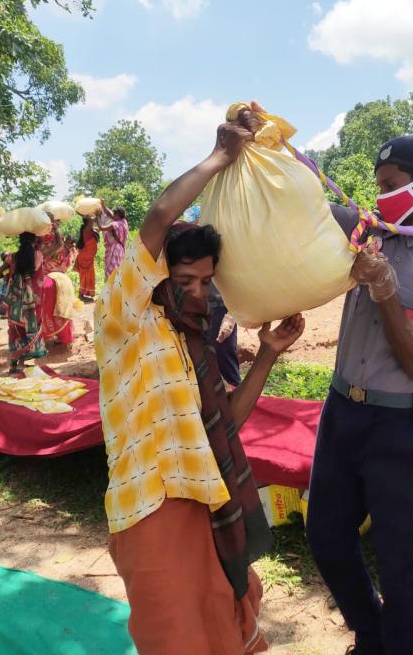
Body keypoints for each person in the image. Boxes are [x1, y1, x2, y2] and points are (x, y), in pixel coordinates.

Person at [94, 121, 305, 655]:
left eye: (207, 282)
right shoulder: (125, 318)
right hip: (152, 504)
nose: (198, 292)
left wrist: (269, 355)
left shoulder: (192, 342)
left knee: (222, 619)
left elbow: (227, 418)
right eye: (185, 281)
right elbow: (161, 216)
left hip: (207, 495)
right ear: (155, 276)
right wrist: (219, 156)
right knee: (175, 635)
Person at [297, 134, 413, 655]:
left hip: (390, 424)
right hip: (339, 412)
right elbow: (305, 196)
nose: (378, 196)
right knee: (326, 537)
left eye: (390, 185)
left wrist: (385, 292)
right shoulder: (368, 232)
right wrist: (264, 146)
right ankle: (370, 632)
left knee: (397, 559)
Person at [185, 205, 241, 386]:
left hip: (220, 311)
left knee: (224, 359)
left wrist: (231, 317)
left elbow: (239, 284)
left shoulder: (225, 250)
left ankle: (236, 403)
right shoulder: (189, 252)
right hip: (197, 309)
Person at [2, 232, 47, 374]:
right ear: (34, 240)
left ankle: (13, 365)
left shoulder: (12, 257)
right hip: (31, 301)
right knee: (30, 330)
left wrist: (9, 272)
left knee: (15, 330)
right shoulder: (38, 255)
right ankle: (26, 364)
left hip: (15, 300)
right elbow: (57, 245)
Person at [42, 231, 77, 347]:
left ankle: (46, 336)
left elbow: (45, 259)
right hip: (63, 279)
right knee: (65, 308)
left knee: (45, 307)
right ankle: (66, 337)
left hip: (47, 277)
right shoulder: (72, 253)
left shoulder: (56, 248)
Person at [98, 203, 129, 281]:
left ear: (117, 215)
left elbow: (101, 228)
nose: (112, 216)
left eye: (114, 214)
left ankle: (110, 289)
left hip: (114, 249)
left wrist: (96, 219)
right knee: (117, 269)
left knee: (111, 271)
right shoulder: (124, 222)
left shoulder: (114, 225)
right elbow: (109, 213)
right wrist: (103, 205)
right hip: (121, 249)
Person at [73, 216, 99, 301]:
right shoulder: (86, 230)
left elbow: (99, 227)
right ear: (88, 222)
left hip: (88, 258)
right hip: (85, 257)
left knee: (89, 276)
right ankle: (81, 294)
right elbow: (91, 224)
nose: (93, 220)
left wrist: (97, 217)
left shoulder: (91, 230)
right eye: (91, 219)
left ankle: (84, 293)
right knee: (84, 276)